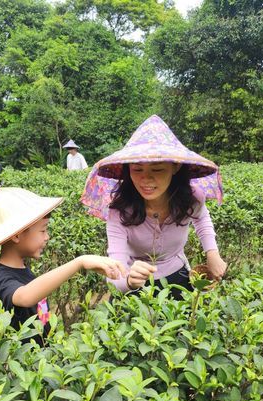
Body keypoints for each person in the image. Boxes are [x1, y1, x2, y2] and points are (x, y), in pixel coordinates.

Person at [81, 115, 226, 298]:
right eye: (137, 169)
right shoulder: (119, 209)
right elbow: (115, 269)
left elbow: (202, 218)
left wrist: (212, 253)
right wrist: (128, 280)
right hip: (135, 285)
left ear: (175, 167)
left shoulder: (191, 197)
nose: (146, 179)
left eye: (157, 169)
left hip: (179, 277)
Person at [0, 187, 126, 346]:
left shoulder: (23, 270)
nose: (47, 236)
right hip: (23, 367)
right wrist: (79, 262)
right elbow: (24, 297)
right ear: (16, 235)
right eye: (43, 230)